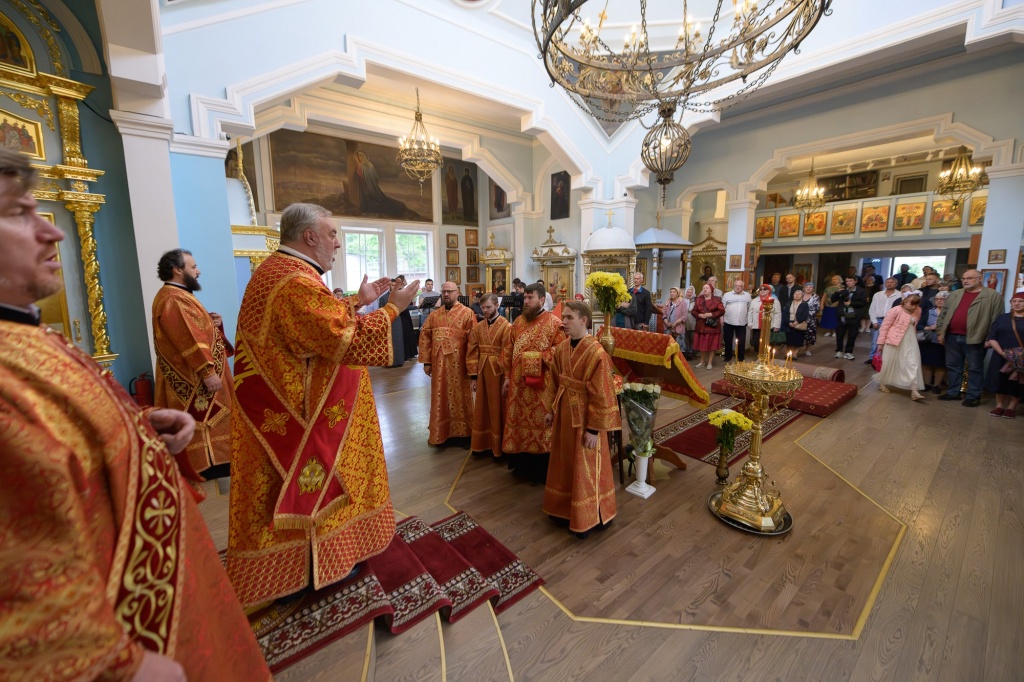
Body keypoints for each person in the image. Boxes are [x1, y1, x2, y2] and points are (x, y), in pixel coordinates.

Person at [0, 148, 271, 680]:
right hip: (124, 635)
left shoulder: (21, 333)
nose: (52, 232)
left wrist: (132, 425)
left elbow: (51, 431)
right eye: (17, 212)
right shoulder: (172, 300)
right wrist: (117, 662)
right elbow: (22, 557)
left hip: (155, 592)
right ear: (176, 269)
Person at [227, 202, 419, 608]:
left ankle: (307, 564)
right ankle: (307, 569)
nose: (337, 243)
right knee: (302, 484)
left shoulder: (282, 271)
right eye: (332, 234)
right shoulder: (294, 281)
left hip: (288, 408)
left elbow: (315, 324)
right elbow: (343, 338)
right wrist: (392, 308)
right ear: (309, 236)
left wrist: (355, 301)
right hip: (298, 416)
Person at [152, 248, 235, 480]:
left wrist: (212, 323)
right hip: (194, 380)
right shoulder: (173, 299)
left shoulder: (178, 295)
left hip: (196, 376)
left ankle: (218, 464)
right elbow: (189, 339)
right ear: (177, 270)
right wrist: (207, 372)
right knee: (205, 421)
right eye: (194, 267)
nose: (198, 271)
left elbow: (196, 329)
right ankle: (209, 465)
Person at [542, 301, 620, 537]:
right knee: (563, 461)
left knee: (585, 465)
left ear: (584, 320)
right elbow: (554, 380)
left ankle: (589, 515)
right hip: (564, 414)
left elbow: (602, 393)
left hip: (585, 419)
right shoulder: (561, 349)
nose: (563, 322)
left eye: (569, 318)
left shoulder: (597, 353)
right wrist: (550, 410)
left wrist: (594, 430)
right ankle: (561, 508)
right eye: (563, 317)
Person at [502, 282, 566, 482]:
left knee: (540, 423)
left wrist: (533, 358)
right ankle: (520, 465)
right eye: (525, 298)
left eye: (530, 298)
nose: (526, 301)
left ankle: (540, 470)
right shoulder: (518, 321)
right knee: (519, 422)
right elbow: (508, 350)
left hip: (542, 386)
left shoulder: (554, 324)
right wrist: (506, 377)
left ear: (542, 299)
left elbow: (560, 351)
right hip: (517, 385)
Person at [935, 269, 1005, 407]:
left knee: (974, 368)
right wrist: (940, 332)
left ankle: (973, 396)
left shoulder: (992, 296)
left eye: (970, 278)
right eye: (963, 278)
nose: (965, 281)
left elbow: (997, 319)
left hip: (976, 337)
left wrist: (990, 338)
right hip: (951, 336)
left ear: (980, 279)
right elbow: (943, 314)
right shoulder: (956, 294)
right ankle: (953, 392)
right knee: (953, 366)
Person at [419, 281, 476, 445]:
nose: (446, 294)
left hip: (459, 366)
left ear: (457, 293)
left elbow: (473, 342)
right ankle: (441, 433)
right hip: (439, 367)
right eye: (444, 291)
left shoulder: (467, 313)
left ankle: (464, 434)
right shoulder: (434, 315)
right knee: (440, 397)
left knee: (461, 398)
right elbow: (425, 337)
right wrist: (427, 362)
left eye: (450, 291)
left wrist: (472, 368)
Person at [468, 293, 511, 457]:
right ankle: (482, 443)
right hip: (482, 373)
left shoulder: (506, 327)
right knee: (482, 407)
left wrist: (507, 376)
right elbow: (472, 351)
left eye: (488, 307)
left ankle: (498, 447)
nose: (485, 310)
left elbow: (508, 353)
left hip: (498, 373)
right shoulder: (478, 327)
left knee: (498, 408)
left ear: (497, 306)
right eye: (483, 308)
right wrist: (473, 376)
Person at [876, 291, 926, 401]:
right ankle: (882, 383)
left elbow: (914, 325)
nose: (914, 306)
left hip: (910, 340)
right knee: (889, 363)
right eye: (911, 303)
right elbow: (885, 327)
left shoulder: (918, 310)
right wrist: (880, 343)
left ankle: (914, 391)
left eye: (916, 304)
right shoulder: (895, 310)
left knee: (913, 363)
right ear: (905, 301)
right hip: (893, 340)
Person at [984, 292, 1024, 418]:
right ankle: (999, 406)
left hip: (1021, 357)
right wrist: (1002, 353)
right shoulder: (1002, 318)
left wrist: (1017, 355)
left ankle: (1011, 407)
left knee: (1017, 381)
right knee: (999, 379)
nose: (1017, 303)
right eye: (1014, 301)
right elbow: (992, 337)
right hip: (1001, 355)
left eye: (1021, 301)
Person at [918, 290, 948, 394]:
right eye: (937, 299)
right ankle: (926, 384)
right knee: (926, 363)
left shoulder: (950, 312)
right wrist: (929, 328)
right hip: (928, 341)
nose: (939, 301)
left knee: (940, 364)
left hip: (943, 342)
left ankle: (937, 385)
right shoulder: (928, 311)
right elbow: (919, 325)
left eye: (942, 299)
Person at [831, 275, 868, 360]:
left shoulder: (861, 291)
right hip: (842, 316)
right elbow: (833, 299)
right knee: (839, 335)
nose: (848, 283)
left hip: (854, 316)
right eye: (847, 281)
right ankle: (839, 351)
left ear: (855, 281)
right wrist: (837, 292)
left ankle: (848, 352)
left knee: (852, 335)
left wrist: (851, 303)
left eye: (850, 281)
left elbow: (863, 303)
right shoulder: (843, 289)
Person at [867, 277, 902, 364]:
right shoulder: (878, 294)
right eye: (887, 282)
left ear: (896, 284)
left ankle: (886, 359)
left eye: (892, 282)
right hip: (879, 319)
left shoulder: (900, 295)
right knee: (875, 341)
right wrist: (874, 321)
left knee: (890, 340)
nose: (889, 284)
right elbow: (872, 309)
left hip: (893, 321)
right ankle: (872, 358)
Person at [691, 283, 724, 369]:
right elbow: (693, 311)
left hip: (713, 326)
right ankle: (702, 362)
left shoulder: (717, 299)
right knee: (702, 345)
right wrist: (699, 315)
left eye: (707, 288)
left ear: (711, 290)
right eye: (704, 288)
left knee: (712, 345)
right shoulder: (698, 299)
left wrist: (711, 314)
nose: (705, 289)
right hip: (701, 326)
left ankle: (709, 363)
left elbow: (722, 311)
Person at [721, 278, 751, 362]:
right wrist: (721, 318)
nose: (738, 287)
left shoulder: (747, 295)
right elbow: (722, 308)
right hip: (728, 321)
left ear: (743, 287)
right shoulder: (727, 295)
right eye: (736, 286)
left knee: (741, 341)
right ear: (733, 286)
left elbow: (749, 308)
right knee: (728, 340)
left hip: (742, 322)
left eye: (740, 286)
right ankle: (728, 356)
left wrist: (749, 320)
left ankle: (741, 357)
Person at [748, 284, 782, 353]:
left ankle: (768, 357)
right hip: (757, 325)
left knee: (768, 343)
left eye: (765, 289)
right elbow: (750, 313)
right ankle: (760, 356)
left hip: (769, 325)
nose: (762, 291)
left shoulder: (774, 301)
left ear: (769, 291)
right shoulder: (754, 301)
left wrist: (776, 325)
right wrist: (750, 323)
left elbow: (778, 314)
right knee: (757, 343)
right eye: (761, 289)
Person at [783, 288, 810, 358]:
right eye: (795, 294)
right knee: (789, 340)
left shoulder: (804, 304)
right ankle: (789, 353)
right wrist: (789, 322)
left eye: (799, 294)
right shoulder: (789, 303)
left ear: (802, 296)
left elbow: (805, 314)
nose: (797, 295)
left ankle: (795, 354)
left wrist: (797, 321)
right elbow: (785, 313)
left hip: (799, 323)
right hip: (790, 323)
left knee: (798, 340)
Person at [662, 286, 688, 351]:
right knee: (668, 347)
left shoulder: (682, 303)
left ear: (678, 293)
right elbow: (664, 313)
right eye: (671, 292)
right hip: (668, 327)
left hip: (678, 327)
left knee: (678, 348)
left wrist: (675, 323)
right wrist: (666, 322)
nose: (672, 293)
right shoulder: (668, 302)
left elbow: (684, 316)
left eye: (674, 292)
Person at [802, 282, 820, 357]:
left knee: (810, 334)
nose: (808, 288)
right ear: (804, 288)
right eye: (807, 287)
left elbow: (816, 307)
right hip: (799, 318)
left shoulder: (815, 297)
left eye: (810, 287)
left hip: (810, 319)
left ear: (813, 289)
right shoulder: (800, 295)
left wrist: (806, 316)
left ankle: (807, 349)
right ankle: (797, 348)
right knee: (799, 333)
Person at [683, 285, 698, 355]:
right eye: (688, 292)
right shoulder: (682, 300)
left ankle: (691, 352)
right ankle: (685, 351)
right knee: (685, 337)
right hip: (684, 321)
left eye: (691, 292)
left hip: (693, 321)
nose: (689, 294)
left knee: (692, 337)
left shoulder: (696, 301)